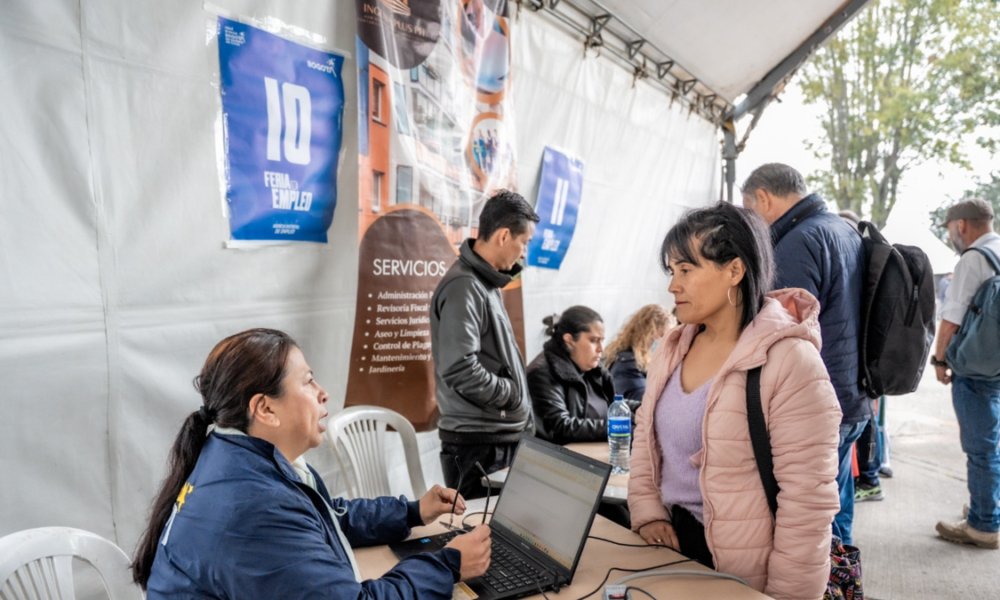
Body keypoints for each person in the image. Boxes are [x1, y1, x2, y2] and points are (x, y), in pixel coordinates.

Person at [132, 329, 491, 598]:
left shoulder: (234, 458)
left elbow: (327, 518)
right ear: (265, 408)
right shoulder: (257, 506)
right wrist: (448, 565)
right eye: (308, 381)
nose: (323, 392)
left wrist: (412, 512)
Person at [628, 202, 841, 599]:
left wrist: (786, 596)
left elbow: (807, 502)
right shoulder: (674, 347)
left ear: (735, 270)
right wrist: (650, 514)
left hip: (745, 569)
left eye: (686, 270)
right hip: (671, 549)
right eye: (671, 271)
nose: (673, 286)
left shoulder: (789, 361)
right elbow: (644, 438)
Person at [742, 163, 868, 545]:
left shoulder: (797, 243)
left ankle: (828, 575)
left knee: (814, 517)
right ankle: (843, 572)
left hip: (818, 399)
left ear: (764, 198)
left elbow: (782, 331)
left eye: (749, 209)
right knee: (837, 500)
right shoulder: (844, 230)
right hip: (853, 391)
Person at [430, 190, 540, 499]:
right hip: (479, 446)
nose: (524, 253)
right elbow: (459, 368)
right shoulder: (465, 285)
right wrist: (510, 394)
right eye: (524, 243)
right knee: (481, 527)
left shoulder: (483, 282)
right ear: (504, 236)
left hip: (490, 440)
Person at [931, 198, 1000, 549]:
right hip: (997, 364)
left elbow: (951, 318)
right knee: (993, 442)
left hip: (976, 369)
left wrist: (939, 360)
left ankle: (983, 524)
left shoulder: (973, 259)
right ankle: (987, 508)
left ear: (961, 225)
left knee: (980, 448)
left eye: (950, 229)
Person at [527, 306, 617, 445]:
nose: (601, 349)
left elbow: (614, 403)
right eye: (594, 340)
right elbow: (561, 426)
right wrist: (618, 427)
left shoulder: (591, 368)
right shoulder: (541, 373)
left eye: (602, 340)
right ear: (569, 340)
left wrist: (644, 410)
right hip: (563, 456)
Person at [604, 304, 673, 401]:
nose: (664, 343)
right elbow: (644, 402)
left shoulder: (634, 361)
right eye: (662, 336)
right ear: (647, 334)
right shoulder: (628, 364)